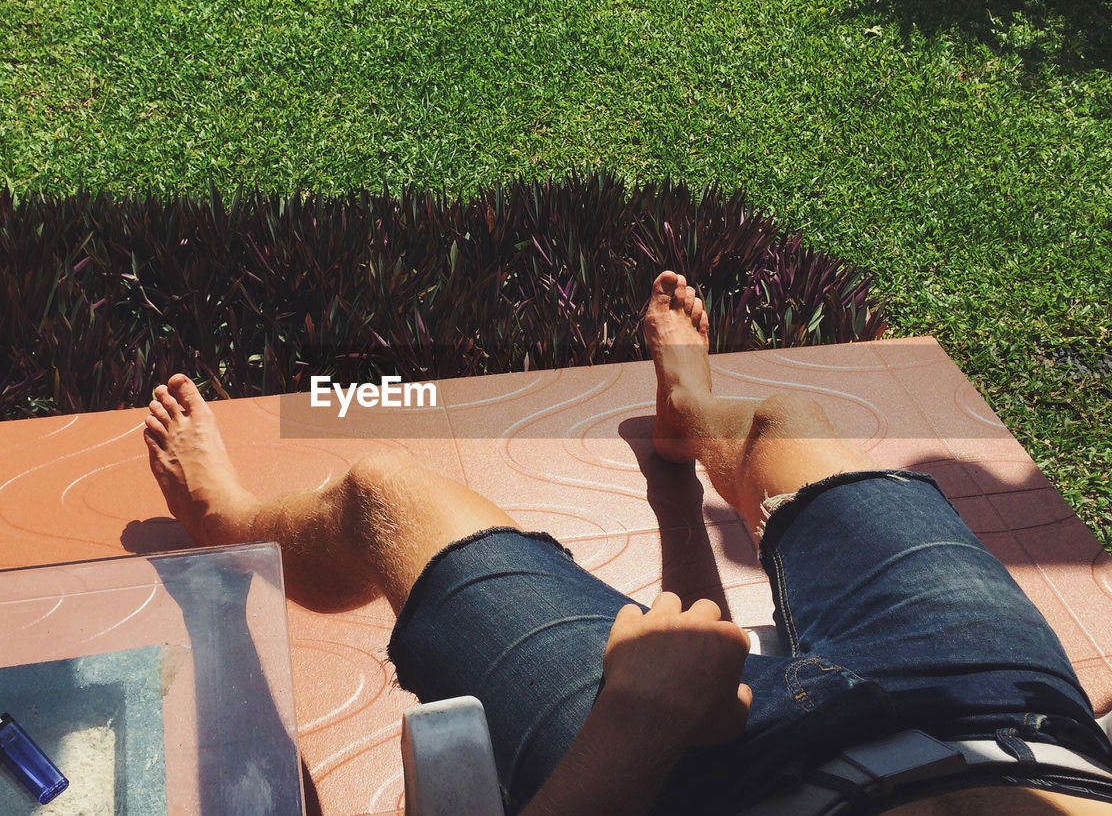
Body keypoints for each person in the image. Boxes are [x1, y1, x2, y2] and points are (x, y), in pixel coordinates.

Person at [142, 271, 1112, 814]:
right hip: (1013, 725)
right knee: (784, 420)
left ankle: (227, 526)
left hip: (704, 784)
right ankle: (688, 412)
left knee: (378, 492)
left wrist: (634, 726)